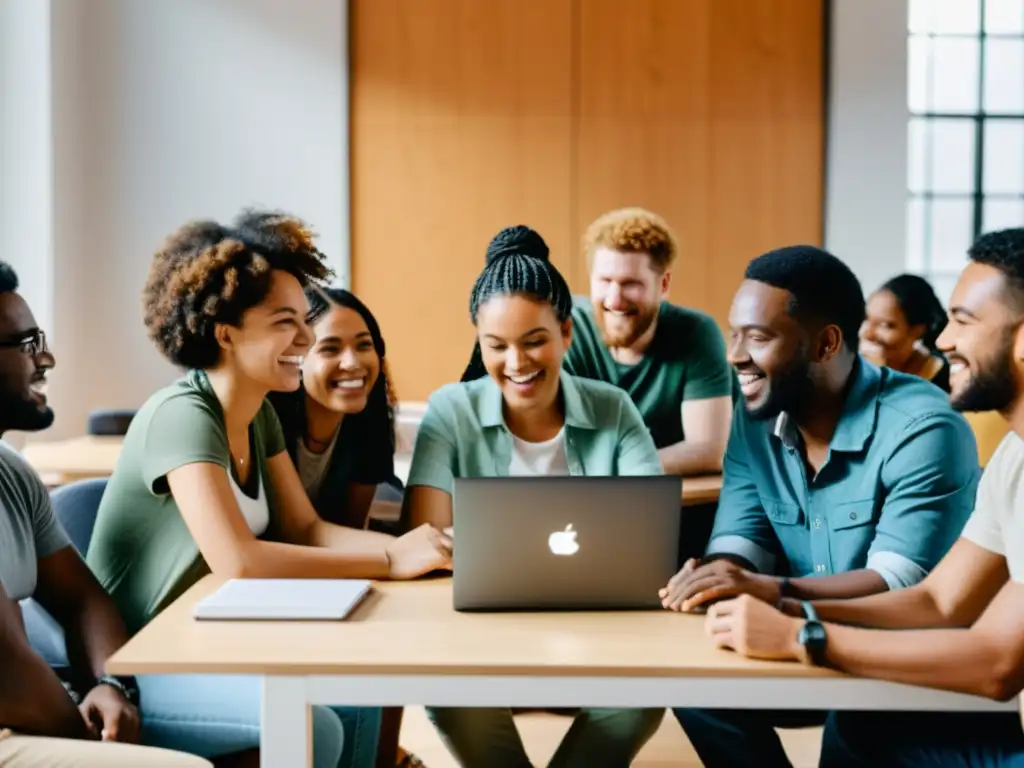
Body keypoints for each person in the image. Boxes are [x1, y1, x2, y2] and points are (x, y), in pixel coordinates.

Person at [85, 211, 452, 768]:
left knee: (365, 696)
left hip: (216, 637)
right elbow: (238, 560)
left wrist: (419, 545)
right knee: (318, 727)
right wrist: (388, 558)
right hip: (144, 662)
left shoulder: (258, 417)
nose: (305, 338)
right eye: (287, 322)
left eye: (304, 321)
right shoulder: (183, 415)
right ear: (225, 332)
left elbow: (306, 527)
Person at [703, 227, 1024, 767]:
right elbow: (939, 601)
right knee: (860, 734)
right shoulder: (1015, 457)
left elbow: (996, 665)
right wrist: (777, 601)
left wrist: (802, 635)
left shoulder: (926, 422)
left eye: (964, 323)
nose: (942, 341)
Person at [406, 225, 665, 768]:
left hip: (599, 623)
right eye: (496, 346)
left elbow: (649, 533)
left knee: (640, 699)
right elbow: (425, 544)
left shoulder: (613, 408)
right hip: (479, 627)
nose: (516, 363)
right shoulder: (450, 411)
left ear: (567, 333)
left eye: (534, 341)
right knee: (449, 695)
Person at [0, 261, 210, 768]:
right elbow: (5, 668)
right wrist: (86, 728)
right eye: (26, 344)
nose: (45, 358)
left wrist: (112, 686)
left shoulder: (12, 472)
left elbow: (83, 599)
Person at [267, 286, 419, 768]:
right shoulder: (266, 422)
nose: (353, 362)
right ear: (296, 354)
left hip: (312, 579)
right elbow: (294, 534)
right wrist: (400, 552)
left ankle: (381, 760)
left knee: (388, 637)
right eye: (330, 348)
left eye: (365, 344)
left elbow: (347, 534)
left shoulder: (366, 421)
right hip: (266, 583)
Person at [859, 273, 950, 392]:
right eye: (866, 319)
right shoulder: (853, 369)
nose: (868, 334)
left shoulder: (944, 380)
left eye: (885, 325)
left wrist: (880, 378)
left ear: (917, 331)